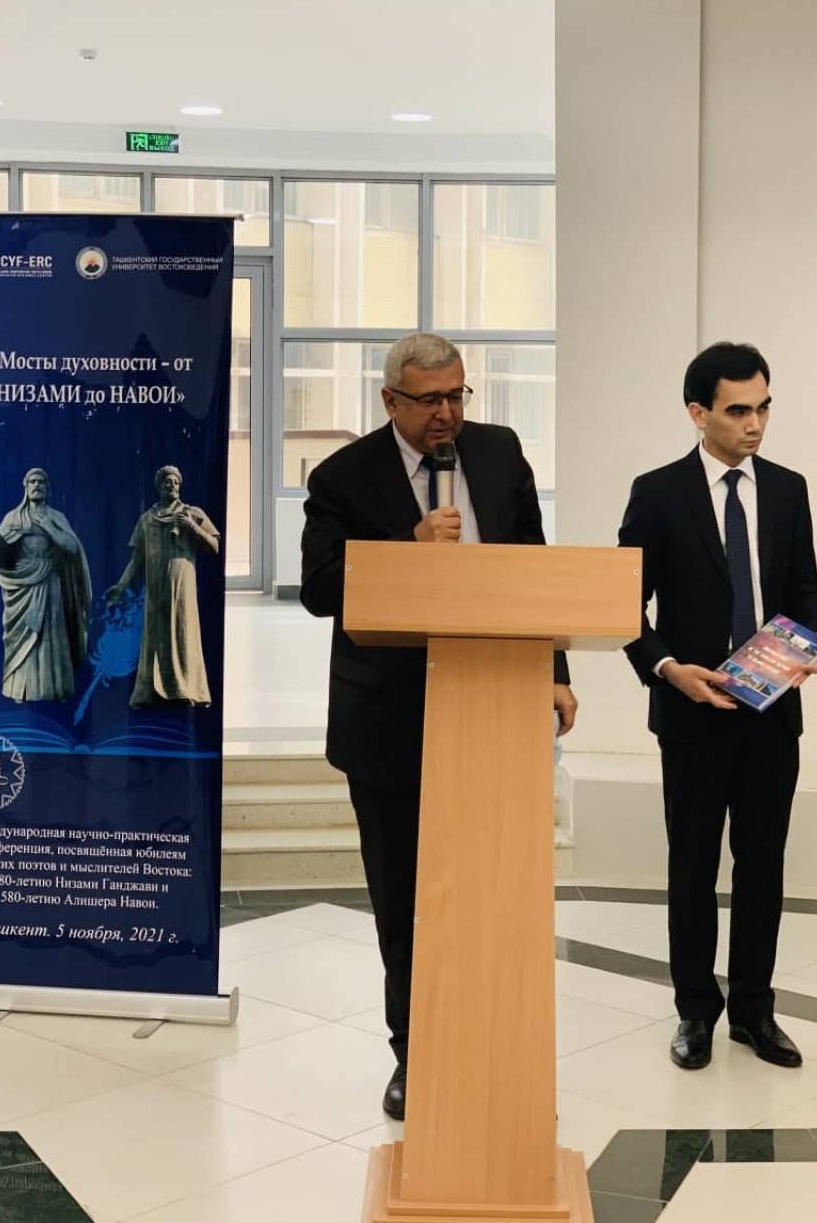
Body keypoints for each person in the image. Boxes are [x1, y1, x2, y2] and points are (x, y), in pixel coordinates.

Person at [300, 332, 577, 1120]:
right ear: (390, 400)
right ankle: (414, 1054)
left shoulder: (499, 451)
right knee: (405, 902)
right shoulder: (343, 475)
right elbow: (319, 588)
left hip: (494, 705)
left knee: (494, 893)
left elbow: (533, 564)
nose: (447, 413)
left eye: (457, 395)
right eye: (429, 401)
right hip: (388, 720)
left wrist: (556, 670)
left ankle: (493, 1046)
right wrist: (406, 550)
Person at [618, 342, 817, 1071]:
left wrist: (809, 648)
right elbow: (623, 605)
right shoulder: (657, 493)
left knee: (763, 866)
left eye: (764, 407)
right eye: (739, 410)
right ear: (697, 412)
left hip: (773, 712)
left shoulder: (789, 489)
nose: (755, 424)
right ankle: (694, 1011)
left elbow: (803, 594)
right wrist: (667, 669)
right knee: (692, 866)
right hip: (692, 711)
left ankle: (754, 1011)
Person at [0, 467, 91, 703]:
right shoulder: (13, 518)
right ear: (25, 487)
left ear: (48, 488)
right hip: (21, 588)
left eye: (41, 481)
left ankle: (55, 689)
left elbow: (72, 548)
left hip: (49, 584)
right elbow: (0, 552)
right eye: (32, 481)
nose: (36, 485)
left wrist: (49, 527)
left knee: (50, 635)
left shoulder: (56, 517)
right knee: (21, 638)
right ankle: (20, 690)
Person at [106, 465, 219, 708]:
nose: (172, 486)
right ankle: (149, 691)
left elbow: (214, 546)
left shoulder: (192, 513)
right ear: (159, 486)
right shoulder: (147, 519)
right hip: (155, 586)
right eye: (167, 482)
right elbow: (137, 559)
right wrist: (121, 585)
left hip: (181, 584)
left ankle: (186, 687)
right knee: (155, 635)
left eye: (176, 482)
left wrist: (191, 526)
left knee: (182, 630)